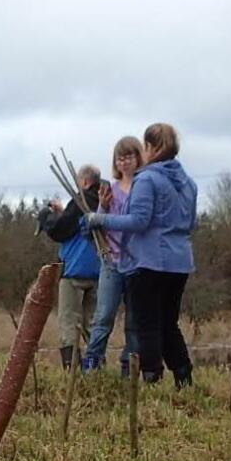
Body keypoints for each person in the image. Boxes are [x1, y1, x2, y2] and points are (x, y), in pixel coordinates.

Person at [87, 122, 196, 386]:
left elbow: (138, 221)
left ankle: (151, 378)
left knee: (146, 324)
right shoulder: (189, 183)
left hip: (148, 262)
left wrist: (100, 219)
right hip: (180, 262)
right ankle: (183, 377)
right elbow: (191, 223)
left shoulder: (148, 179)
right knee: (169, 323)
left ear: (151, 147)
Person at [83, 136, 144, 375]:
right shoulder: (112, 190)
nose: (124, 162)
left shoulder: (144, 187)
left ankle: (129, 368)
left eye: (129, 156)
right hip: (111, 262)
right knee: (103, 317)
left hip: (138, 263)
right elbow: (100, 223)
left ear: (138, 157)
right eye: (120, 158)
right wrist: (102, 207)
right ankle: (92, 366)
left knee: (134, 322)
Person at [39, 165, 104, 368]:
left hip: (74, 271)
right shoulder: (106, 201)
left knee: (68, 321)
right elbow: (74, 224)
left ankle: (71, 369)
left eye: (79, 182)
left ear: (85, 182)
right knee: (92, 323)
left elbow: (61, 230)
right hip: (100, 271)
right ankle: (97, 367)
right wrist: (64, 211)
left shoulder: (80, 202)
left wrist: (47, 218)